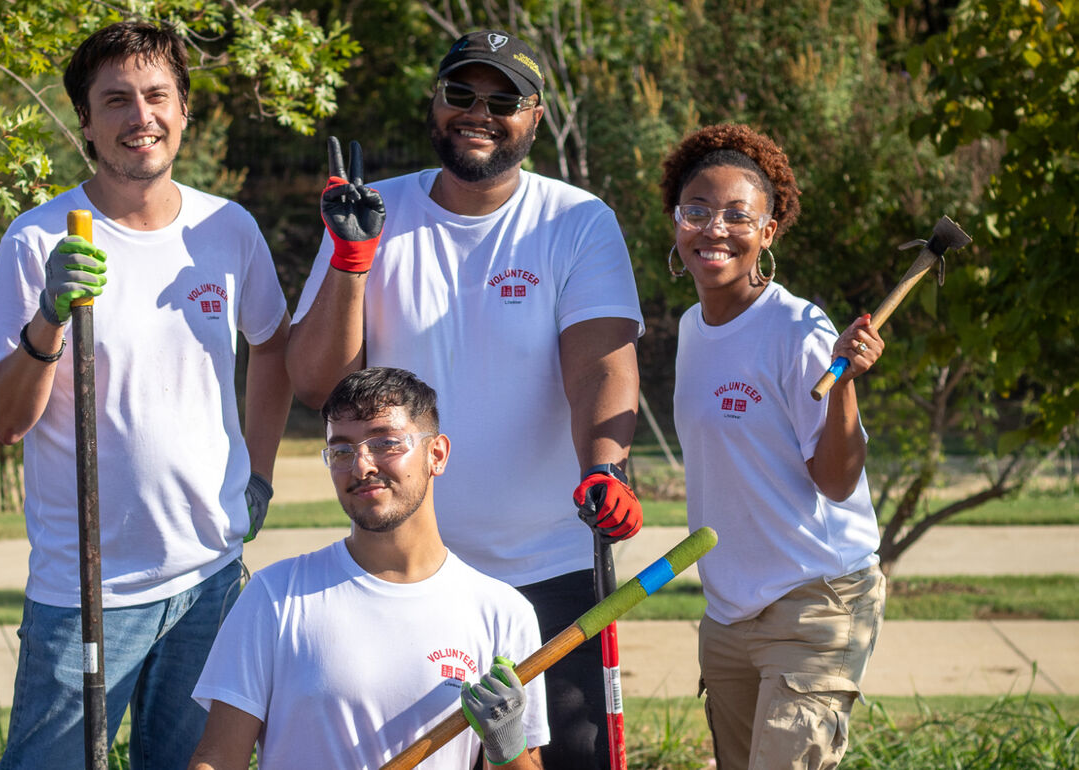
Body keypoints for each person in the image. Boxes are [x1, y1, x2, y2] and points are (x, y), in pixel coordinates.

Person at [286, 29, 644, 768]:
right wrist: (352, 258)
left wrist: (605, 465)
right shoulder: (367, 210)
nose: (478, 113)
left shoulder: (576, 221)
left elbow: (599, 368)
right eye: (461, 94)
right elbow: (319, 384)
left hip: (552, 569)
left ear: (536, 116)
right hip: (408, 576)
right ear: (435, 102)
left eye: (503, 99)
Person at [0, 22, 292, 769]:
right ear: (85, 120)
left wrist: (263, 475)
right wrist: (49, 317)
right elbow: (4, 420)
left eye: (156, 96)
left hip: (209, 575)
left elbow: (272, 348)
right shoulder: (38, 239)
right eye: (115, 100)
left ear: (184, 110)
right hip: (84, 586)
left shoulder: (227, 228)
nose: (139, 116)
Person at [659, 123, 887, 769]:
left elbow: (837, 482)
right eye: (697, 211)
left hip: (815, 600)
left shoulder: (798, 329)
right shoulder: (688, 329)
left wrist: (842, 381)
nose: (714, 229)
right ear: (677, 223)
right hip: (728, 610)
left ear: (768, 231)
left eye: (738, 215)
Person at [189, 367, 547, 769]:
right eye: (342, 451)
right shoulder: (275, 597)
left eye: (386, 443)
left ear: (437, 455)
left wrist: (509, 748)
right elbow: (217, 759)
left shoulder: (502, 612)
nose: (361, 467)